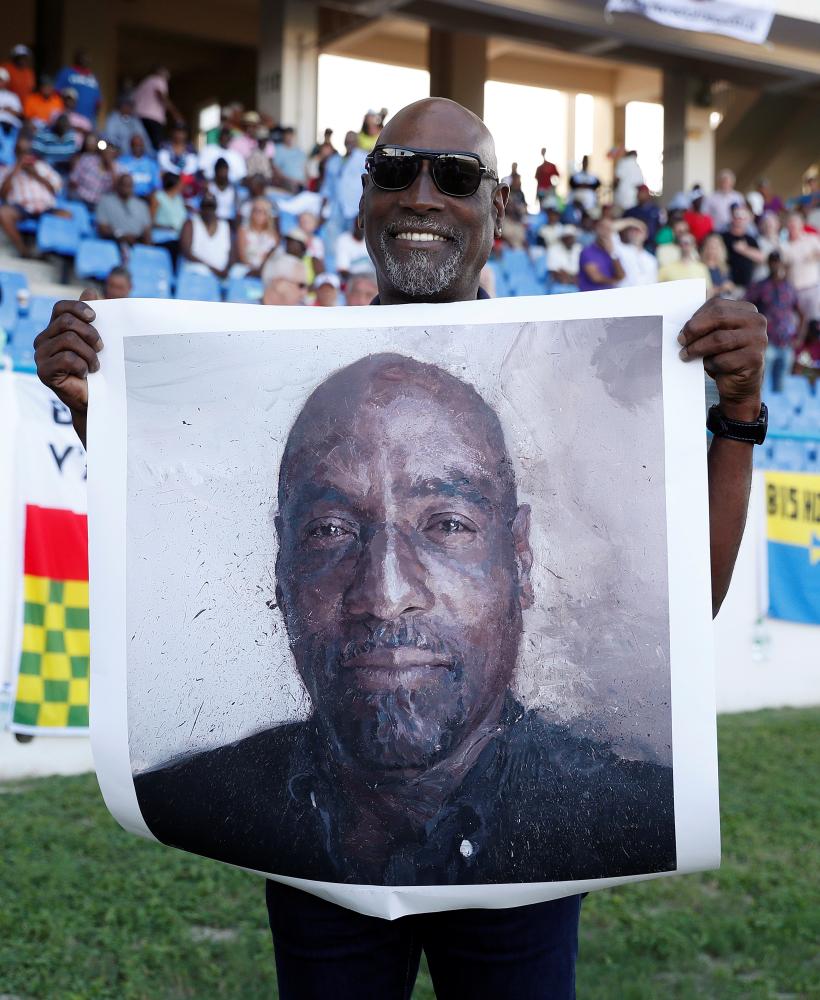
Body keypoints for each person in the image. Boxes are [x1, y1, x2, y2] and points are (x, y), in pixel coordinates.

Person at [35, 95, 767, 1000]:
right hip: (319, 872)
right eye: (394, 171)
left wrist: (738, 419)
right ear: (361, 203)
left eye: (457, 177)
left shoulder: (607, 801)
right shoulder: (212, 788)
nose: (386, 591)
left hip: (519, 897)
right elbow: (168, 517)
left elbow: (686, 603)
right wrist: (101, 412)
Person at [746, 252, 803, 393]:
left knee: (781, 386)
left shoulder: (789, 287)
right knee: (761, 384)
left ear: (783, 264)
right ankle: (761, 413)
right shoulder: (760, 286)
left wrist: (799, 337)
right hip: (767, 342)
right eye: (773, 261)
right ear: (768, 264)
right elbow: (746, 307)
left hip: (786, 342)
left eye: (778, 261)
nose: (775, 264)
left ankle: (779, 414)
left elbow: (801, 314)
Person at [0, 134, 62, 256]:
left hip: (46, 208)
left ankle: (51, 255)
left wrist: (35, 174)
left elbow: (56, 190)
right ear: (15, 153)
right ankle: (23, 251)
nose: (25, 156)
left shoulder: (43, 168)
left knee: (68, 216)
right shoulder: (7, 170)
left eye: (27, 152)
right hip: (22, 208)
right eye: (21, 152)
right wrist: (16, 169)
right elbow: (3, 195)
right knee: (3, 213)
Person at [179, 193, 234, 279]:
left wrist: (226, 269)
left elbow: (232, 253)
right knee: (200, 271)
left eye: (211, 207)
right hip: (196, 272)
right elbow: (187, 253)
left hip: (221, 273)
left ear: (216, 208)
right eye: (205, 207)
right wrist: (213, 270)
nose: (208, 210)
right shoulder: (190, 224)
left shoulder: (225, 226)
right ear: (200, 208)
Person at [779, 212, 820, 330]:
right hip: (792, 291)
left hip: (811, 289)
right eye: (790, 223)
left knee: (814, 323)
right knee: (795, 325)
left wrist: (815, 255)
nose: (792, 226)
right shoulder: (783, 245)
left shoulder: (811, 239)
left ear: (801, 224)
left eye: (795, 223)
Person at [95, 172, 152, 248]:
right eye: (124, 185)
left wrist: (146, 249)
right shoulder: (105, 201)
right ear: (118, 185)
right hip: (114, 243)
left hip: (137, 243)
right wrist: (121, 236)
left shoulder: (141, 204)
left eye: (129, 185)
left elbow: (147, 231)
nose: (126, 188)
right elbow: (102, 228)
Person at [132, 67, 181, 151]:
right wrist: (175, 114)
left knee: (145, 143)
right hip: (153, 118)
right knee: (157, 145)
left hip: (138, 117)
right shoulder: (159, 80)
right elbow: (161, 96)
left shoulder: (145, 82)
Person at [69, 136, 118, 209]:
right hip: (80, 199)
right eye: (107, 152)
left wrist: (111, 169)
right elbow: (73, 180)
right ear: (102, 151)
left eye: (111, 154)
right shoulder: (87, 160)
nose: (109, 155)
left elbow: (115, 191)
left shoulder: (117, 169)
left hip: (99, 205)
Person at [722, 206, 764, 293]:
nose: (739, 220)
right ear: (732, 218)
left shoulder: (750, 239)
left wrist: (744, 250)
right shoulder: (723, 237)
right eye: (737, 217)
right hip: (726, 285)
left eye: (742, 218)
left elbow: (761, 257)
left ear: (747, 220)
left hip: (746, 286)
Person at [578, 218, 626, 292]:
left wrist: (612, 253)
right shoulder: (587, 251)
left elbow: (621, 275)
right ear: (596, 229)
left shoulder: (613, 253)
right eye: (603, 227)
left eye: (609, 229)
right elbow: (596, 278)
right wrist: (615, 282)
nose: (605, 232)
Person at [55, 50, 100, 127]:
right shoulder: (67, 73)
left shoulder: (93, 78)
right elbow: (56, 93)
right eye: (83, 57)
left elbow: (98, 101)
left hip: (89, 119)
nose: (85, 60)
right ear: (76, 58)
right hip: (70, 119)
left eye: (87, 58)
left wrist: (94, 117)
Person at [235, 197, 279, 277]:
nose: (260, 214)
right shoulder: (243, 230)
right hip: (247, 269)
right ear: (251, 213)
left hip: (265, 271)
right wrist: (253, 269)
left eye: (263, 212)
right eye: (257, 211)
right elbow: (242, 256)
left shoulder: (273, 235)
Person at [150, 171, 187, 256]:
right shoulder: (158, 197)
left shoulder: (179, 199)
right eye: (180, 182)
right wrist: (166, 227)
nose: (183, 185)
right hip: (162, 237)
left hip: (179, 237)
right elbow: (150, 221)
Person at [614, 217, 658, 287]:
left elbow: (653, 283)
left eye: (639, 230)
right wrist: (631, 222)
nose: (635, 233)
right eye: (632, 230)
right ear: (627, 233)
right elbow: (607, 231)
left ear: (646, 235)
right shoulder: (619, 250)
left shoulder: (651, 260)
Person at [117, 134, 160, 199]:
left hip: (147, 198)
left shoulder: (151, 164)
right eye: (135, 145)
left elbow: (156, 186)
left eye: (140, 145)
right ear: (130, 146)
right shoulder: (122, 161)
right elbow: (119, 182)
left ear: (143, 146)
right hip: (128, 198)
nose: (137, 147)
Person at [623, 184, 662, 249]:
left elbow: (661, 228)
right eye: (638, 192)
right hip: (632, 244)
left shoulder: (656, 211)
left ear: (648, 194)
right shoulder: (630, 211)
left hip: (651, 245)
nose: (639, 195)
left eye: (642, 192)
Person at [546, 224, 580, 292]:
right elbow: (554, 272)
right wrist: (570, 278)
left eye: (571, 237)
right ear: (562, 238)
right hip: (559, 284)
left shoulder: (579, 248)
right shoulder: (553, 249)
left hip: (577, 281)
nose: (570, 240)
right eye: (567, 237)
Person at [702, 232, 735, 299]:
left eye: (715, 247)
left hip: (722, 302)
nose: (712, 249)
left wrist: (729, 286)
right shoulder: (701, 267)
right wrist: (720, 289)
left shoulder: (724, 267)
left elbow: (730, 285)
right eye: (710, 246)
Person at [207, 157, 239, 223]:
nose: (223, 174)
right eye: (221, 171)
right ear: (216, 171)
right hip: (214, 221)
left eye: (225, 171)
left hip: (230, 221)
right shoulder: (209, 187)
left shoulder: (233, 189)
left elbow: (236, 209)